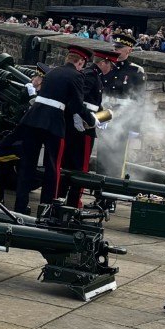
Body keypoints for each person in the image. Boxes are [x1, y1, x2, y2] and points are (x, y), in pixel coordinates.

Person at [12, 44, 92, 214]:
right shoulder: (76, 76)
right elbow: (76, 104)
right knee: (52, 166)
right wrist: (91, 119)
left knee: (28, 165)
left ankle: (20, 205)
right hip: (53, 124)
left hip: (34, 120)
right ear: (81, 63)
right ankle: (46, 207)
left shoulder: (52, 72)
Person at [59, 42, 110, 208]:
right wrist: (91, 119)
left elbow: (92, 104)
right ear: (103, 62)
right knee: (80, 167)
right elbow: (81, 100)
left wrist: (103, 116)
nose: (110, 68)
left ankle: (65, 198)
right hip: (82, 128)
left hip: (85, 123)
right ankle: (73, 201)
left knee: (71, 164)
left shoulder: (94, 76)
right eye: (109, 64)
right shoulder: (90, 75)